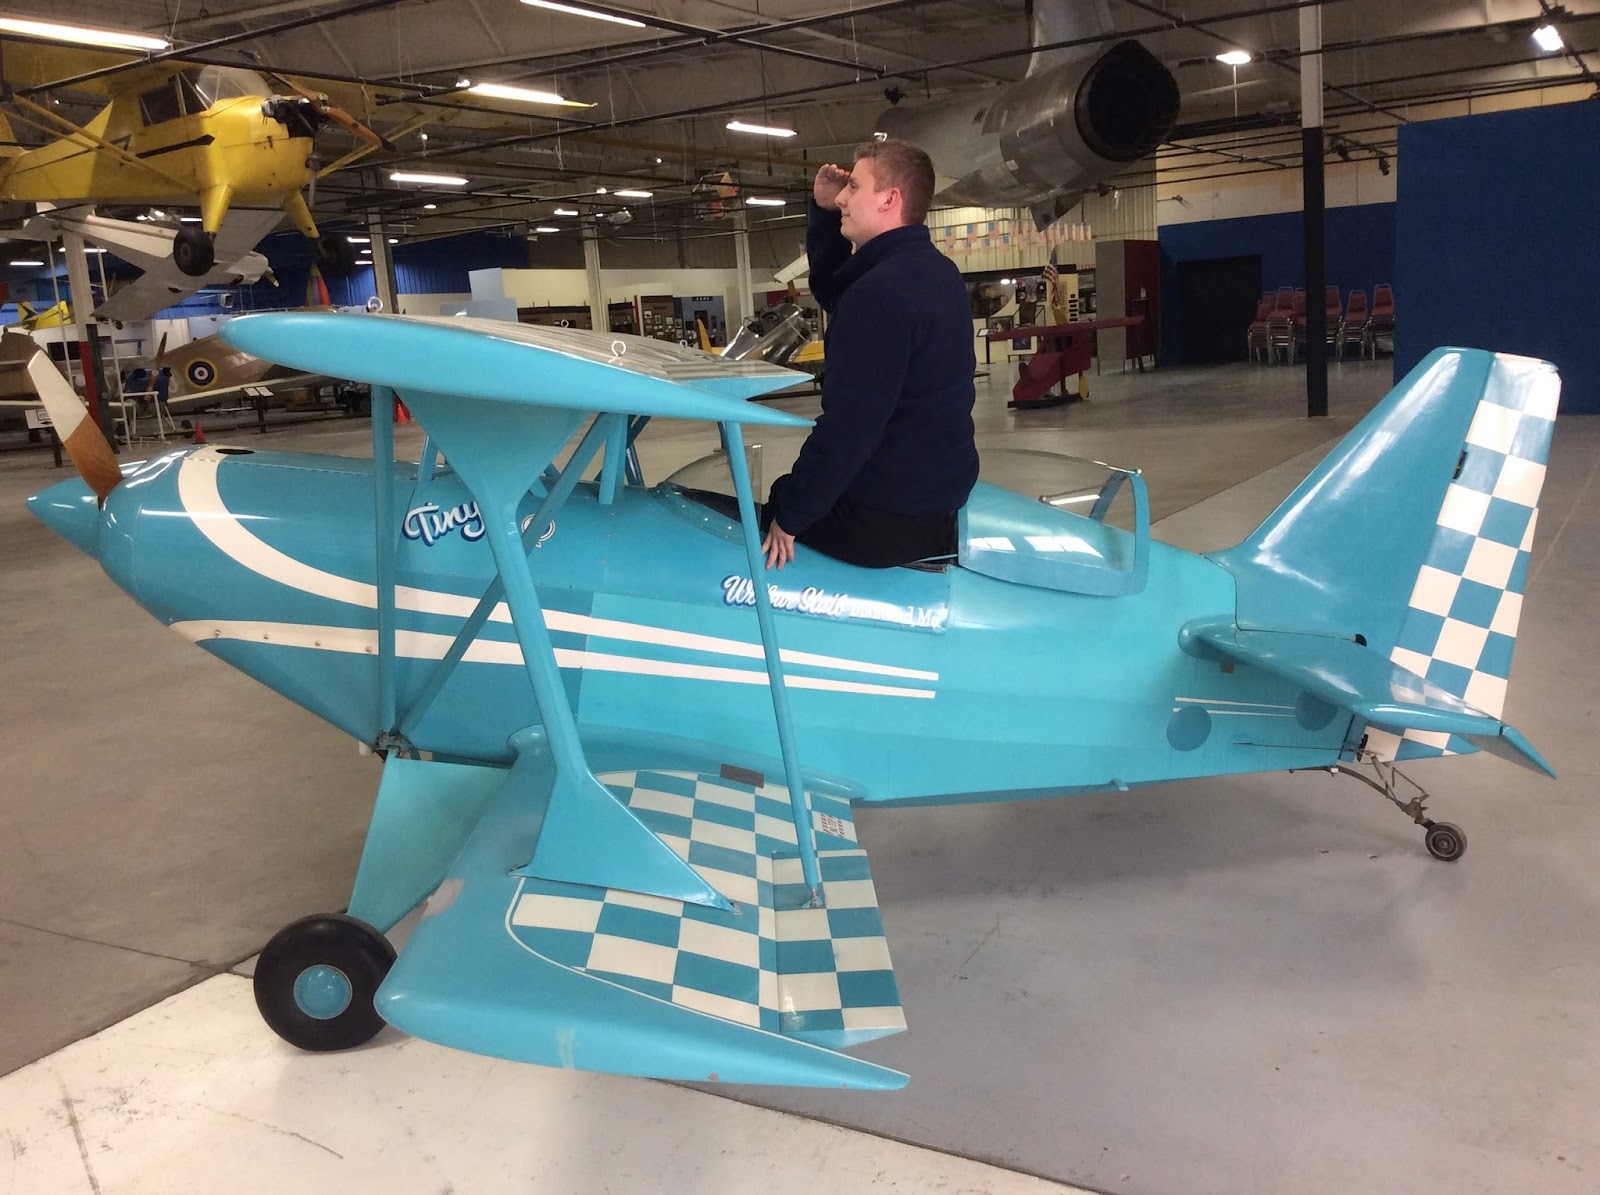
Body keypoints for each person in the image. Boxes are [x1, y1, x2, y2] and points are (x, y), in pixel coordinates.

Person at [760, 138, 978, 571]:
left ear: (889, 199)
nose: (842, 197)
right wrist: (825, 213)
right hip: (935, 502)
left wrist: (790, 514)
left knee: (768, 509)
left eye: (855, 187)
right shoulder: (937, 272)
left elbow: (850, 427)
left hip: (885, 520)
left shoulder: (880, 293)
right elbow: (842, 293)